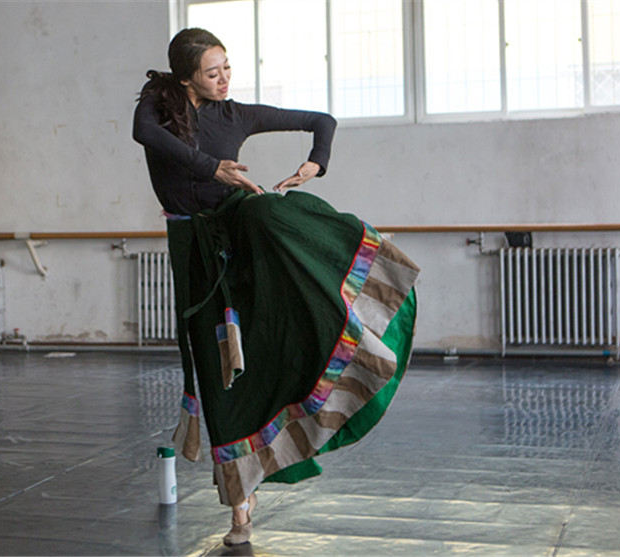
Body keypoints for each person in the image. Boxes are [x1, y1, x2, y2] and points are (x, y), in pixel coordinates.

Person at [133, 28, 419, 546]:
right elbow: (146, 135)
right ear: (186, 78)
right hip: (194, 254)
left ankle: (366, 318)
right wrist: (212, 168)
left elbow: (321, 121)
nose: (224, 79)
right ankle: (240, 506)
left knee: (271, 214)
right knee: (219, 374)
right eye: (212, 72)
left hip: (243, 240)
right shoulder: (159, 104)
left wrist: (316, 161)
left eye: (227, 67)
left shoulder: (236, 114)